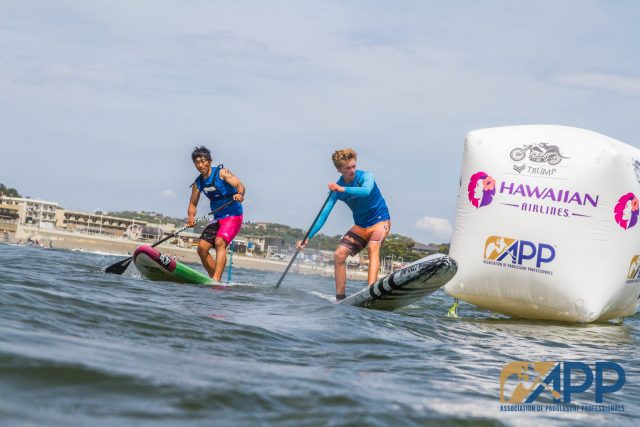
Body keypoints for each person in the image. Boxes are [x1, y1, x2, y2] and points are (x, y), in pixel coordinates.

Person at [297, 148, 391, 301]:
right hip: (361, 225)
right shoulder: (336, 190)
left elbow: (366, 191)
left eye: (353, 166)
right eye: (347, 168)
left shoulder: (366, 176)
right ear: (339, 169)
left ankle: (371, 291)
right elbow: (323, 214)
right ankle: (340, 298)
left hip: (380, 220)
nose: (352, 170)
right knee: (338, 255)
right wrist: (307, 237)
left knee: (374, 247)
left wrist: (343, 189)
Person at [187, 146, 245, 281]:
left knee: (220, 242)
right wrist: (191, 217)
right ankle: (215, 279)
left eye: (203, 161)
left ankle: (216, 279)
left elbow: (239, 185)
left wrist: (240, 194)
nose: (200, 165)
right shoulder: (198, 183)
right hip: (218, 217)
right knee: (201, 248)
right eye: (197, 162)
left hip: (233, 215)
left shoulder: (222, 173)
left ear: (210, 161)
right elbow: (192, 204)